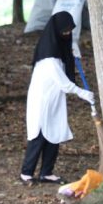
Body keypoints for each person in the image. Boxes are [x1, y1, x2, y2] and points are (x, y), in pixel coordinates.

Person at [19, 11, 94, 185]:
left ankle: (46, 172)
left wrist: (72, 52)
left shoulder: (59, 49)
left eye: (70, 31)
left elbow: (66, 65)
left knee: (53, 136)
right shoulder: (48, 58)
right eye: (65, 31)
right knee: (38, 137)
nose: (67, 34)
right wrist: (83, 93)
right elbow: (64, 83)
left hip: (54, 101)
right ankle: (26, 173)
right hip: (42, 101)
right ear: (57, 31)